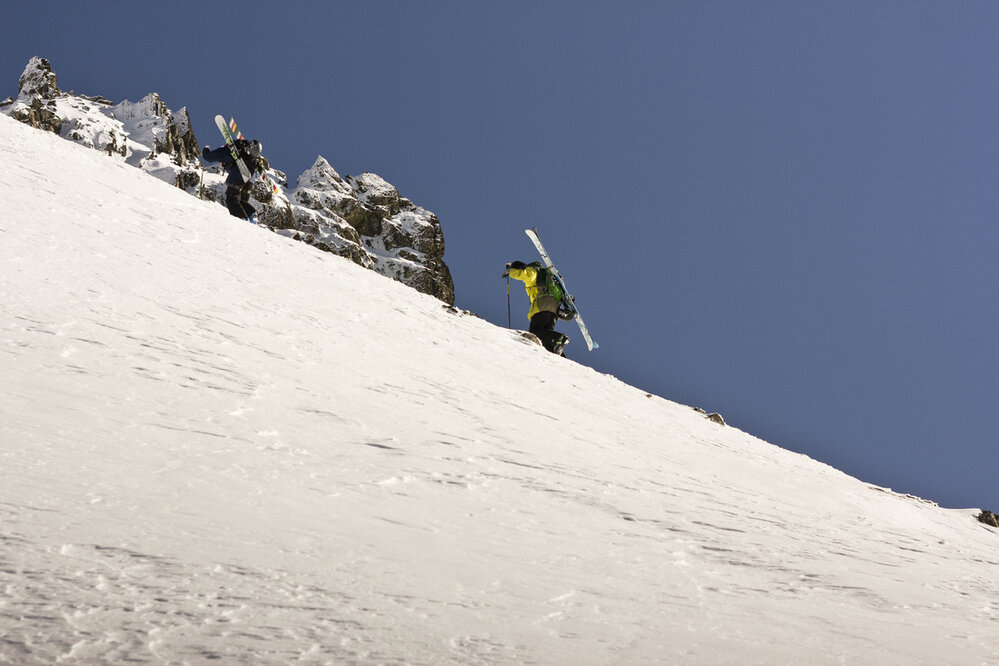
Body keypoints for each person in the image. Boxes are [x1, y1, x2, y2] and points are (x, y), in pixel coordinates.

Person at [503, 260, 574, 355]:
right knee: (544, 339)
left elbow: (527, 275)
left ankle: (560, 338)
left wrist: (510, 272)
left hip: (542, 304)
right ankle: (559, 356)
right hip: (554, 309)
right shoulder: (550, 280)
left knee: (535, 332)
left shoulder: (535, 270)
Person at [202, 138, 263, 221]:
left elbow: (209, 157)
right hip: (249, 183)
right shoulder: (252, 159)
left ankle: (243, 221)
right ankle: (251, 215)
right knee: (242, 202)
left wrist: (206, 149)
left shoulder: (230, 151)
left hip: (237, 178)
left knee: (232, 201)